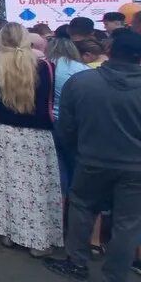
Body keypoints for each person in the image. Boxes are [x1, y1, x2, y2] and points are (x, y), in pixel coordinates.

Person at [46, 29, 141, 282]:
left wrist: (80, 149)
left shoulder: (81, 82)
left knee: (82, 208)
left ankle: (77, 263)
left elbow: (66, 128)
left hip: (92, 158)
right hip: (137, 166)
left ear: (109, 49)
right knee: (128, 224)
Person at [0, 23, 62, 257]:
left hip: (2, 130)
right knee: (37, 185)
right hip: (35, 133)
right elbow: (47, 101)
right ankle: (38, 238)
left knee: (4, 182)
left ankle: (8, 231)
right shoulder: (44, 66)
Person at [46, 35, 90, 194]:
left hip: (49, 121)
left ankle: (61, 199)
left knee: (56, 166)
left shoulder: (44, 67)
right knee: (75, 162)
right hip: (76, 122)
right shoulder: (82, 69)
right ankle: (75, 197)